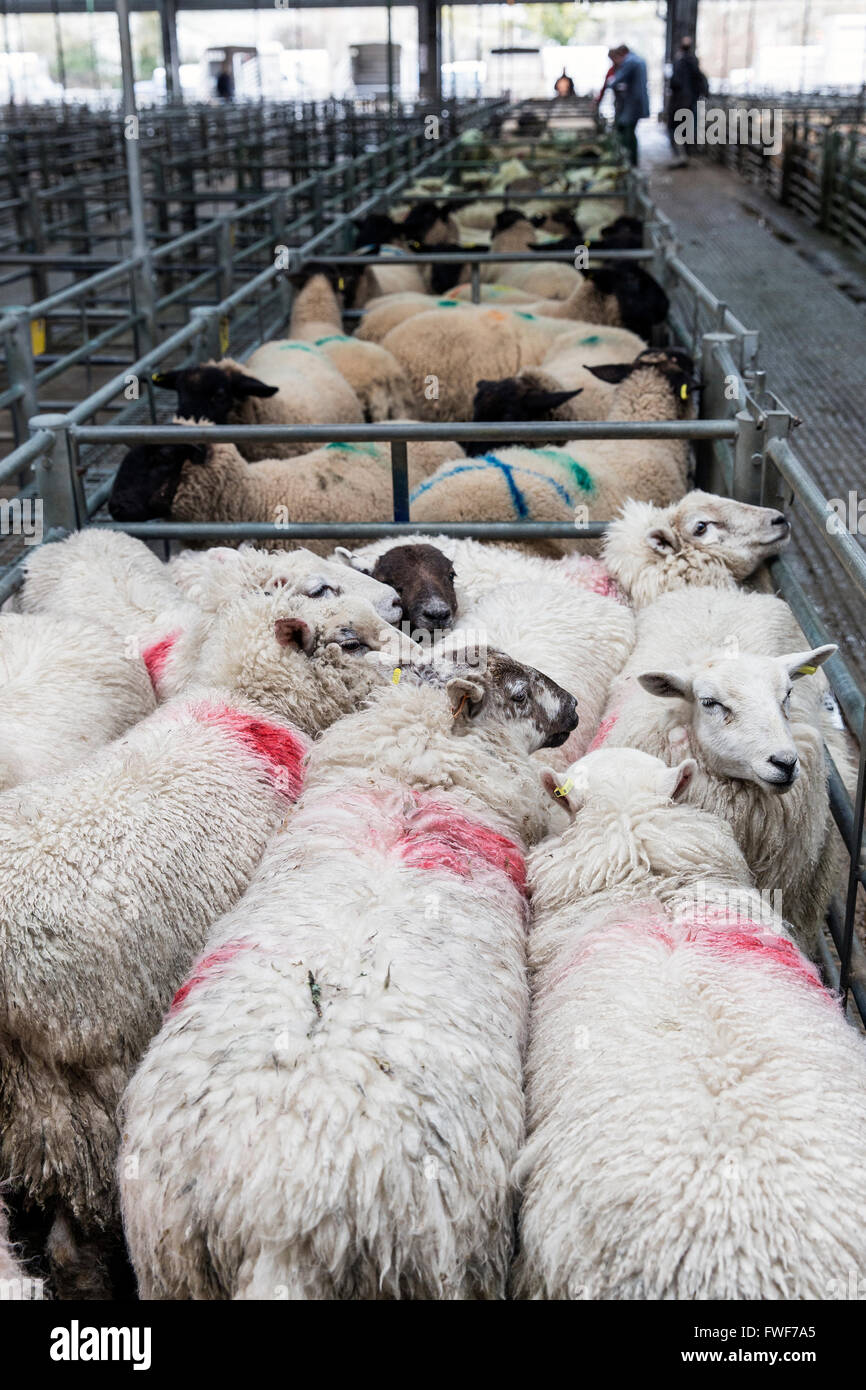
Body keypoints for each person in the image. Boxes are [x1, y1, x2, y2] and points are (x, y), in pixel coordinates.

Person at [597, 44, 649, 166]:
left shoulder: (630, 62)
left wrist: (612, 82)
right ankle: (632, 161)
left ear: (620, 55)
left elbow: (613, 81)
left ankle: (629, 162)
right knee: (630, 132)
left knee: (628, 134)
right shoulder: (639, 60)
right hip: (636, 104)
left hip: (631, 105)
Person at [667, 35, 709, 168]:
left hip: (680, 101)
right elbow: (701, 81)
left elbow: (675, 82)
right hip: (691, 100)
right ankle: (686, 154)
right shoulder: (693, 62)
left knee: (675, 127)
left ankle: (680, 156)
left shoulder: (679, 62)